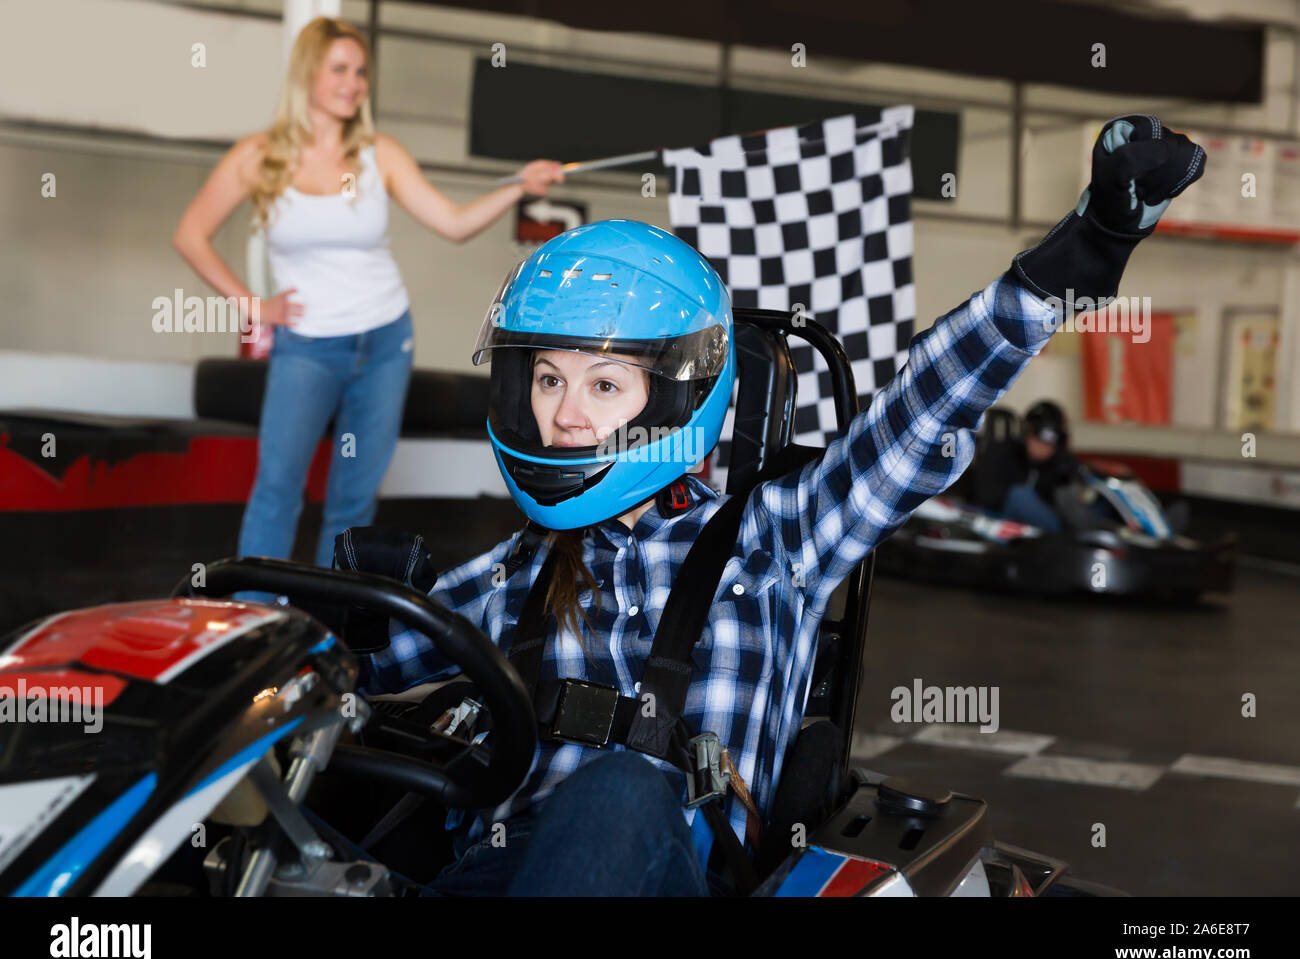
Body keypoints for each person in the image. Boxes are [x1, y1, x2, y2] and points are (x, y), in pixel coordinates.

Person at [354, 115, 1205, 896]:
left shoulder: (773, 539)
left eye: (603, 384)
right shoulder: (518, 567)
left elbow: (917, 417)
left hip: (674, 867)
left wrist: (1082, 252)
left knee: (617, 789)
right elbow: (349, 661)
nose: (566, 414)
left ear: (678, 396)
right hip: (498, 869)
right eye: (548, 379)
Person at [172, 16, 565, 568]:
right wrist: (253, 306)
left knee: (353, 501)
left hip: (384, 341)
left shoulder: (381, 154)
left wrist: (519, 187)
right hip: (306, 345)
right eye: (340, 69)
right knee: (276, 489)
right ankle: (256, 616)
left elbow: (453, 224)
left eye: (361, 72)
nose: (354, 83)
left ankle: (336, 623)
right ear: (308, 74)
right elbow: (190, 234)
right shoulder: (259, 157)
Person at [970, 399, 1081, 532]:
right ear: (1026, 433)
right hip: (998, 525)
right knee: (1020, 496)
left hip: (1042, 534)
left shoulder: (1060, 464)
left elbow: (1066, 508)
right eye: (1038, 440)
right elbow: (985, 499)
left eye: (1050, 444)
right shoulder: (1001, 452)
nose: (1042, 448)